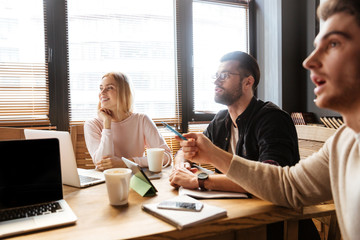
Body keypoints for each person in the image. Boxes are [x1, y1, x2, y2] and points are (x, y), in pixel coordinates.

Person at [177, 0, 360, 239]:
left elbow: (277, 176)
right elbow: (288, 185)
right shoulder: (344, 142)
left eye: (333, 43)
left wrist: (202, 177)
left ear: (248, 82)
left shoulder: (271, 119)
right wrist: (193, 159)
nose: (308, 62)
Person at [170, 51, 319, 240]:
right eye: (216, 76)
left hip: (276, 226)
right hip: (235, 215)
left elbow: (270, 178)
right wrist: (182, 164)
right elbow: (186, 150)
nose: (216, 81)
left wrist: (199, 180)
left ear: (248, 82)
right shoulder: (220, 119)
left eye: (224, 75)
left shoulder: (272, 119)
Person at [84, 72, 172, 171]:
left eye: (109, 88)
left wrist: (126, 163)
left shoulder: (141, 120)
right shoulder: (92, 124)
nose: (102, 93)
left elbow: (166, 157)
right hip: (105, 181)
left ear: (124, 92)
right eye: (101, 88)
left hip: (137, 180)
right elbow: (102, 163)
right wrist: (107, 124)